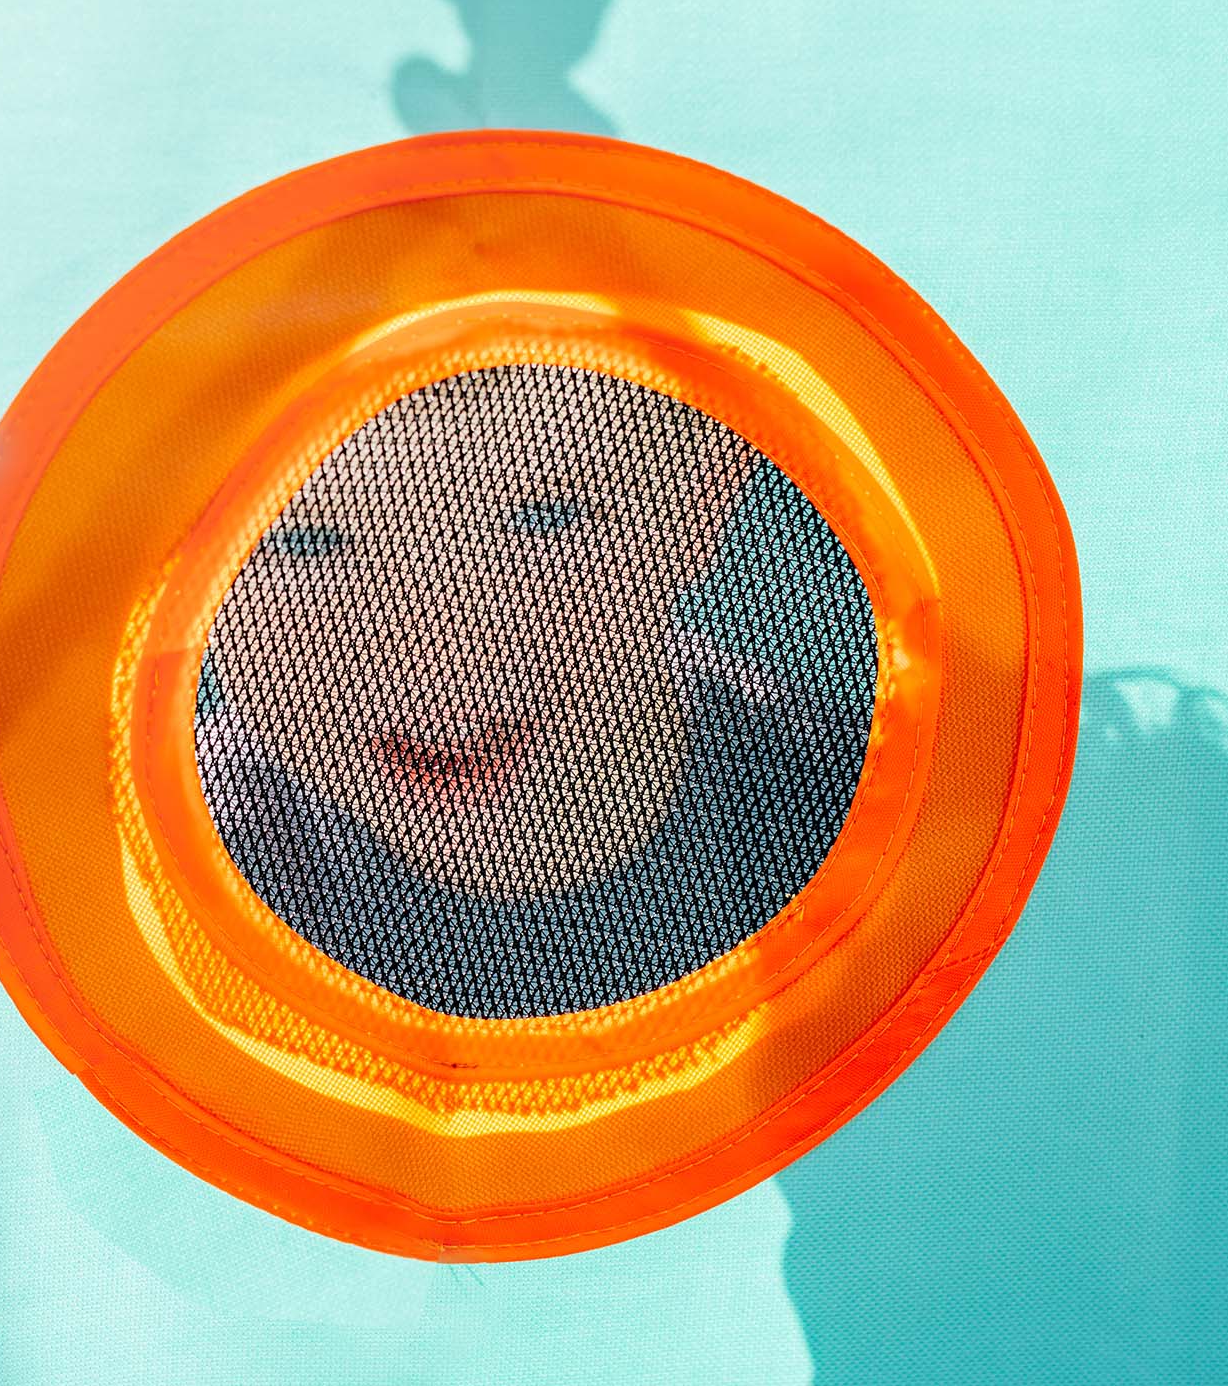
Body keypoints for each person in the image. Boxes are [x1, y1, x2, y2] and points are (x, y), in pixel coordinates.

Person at [197, 362, 876, 1018]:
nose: (441, 661)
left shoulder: (842, 802)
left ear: (702, 495)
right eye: (305, 541)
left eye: (546, 520)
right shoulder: (183, 872)